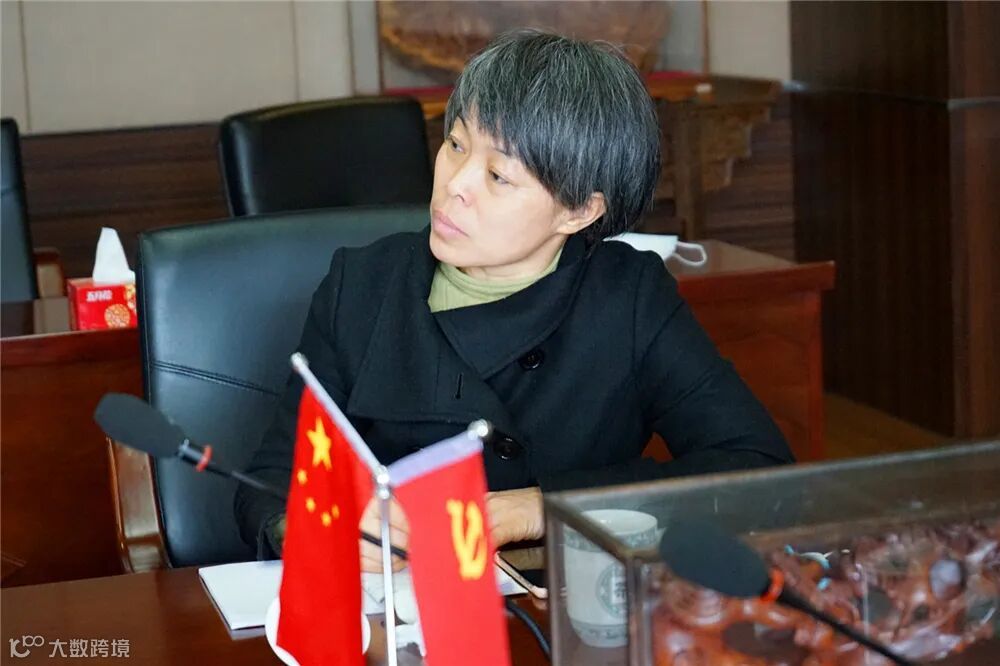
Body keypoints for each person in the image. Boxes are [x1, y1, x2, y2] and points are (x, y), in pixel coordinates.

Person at [235, 29, 792, 568]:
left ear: (579, 211)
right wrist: (309, 524)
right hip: (395, 608)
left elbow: (757, 469)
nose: (455, 184)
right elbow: (272, 480)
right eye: (456, 145)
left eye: (498, 175)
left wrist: (543, 505)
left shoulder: (628, 299)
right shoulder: (362, 286)